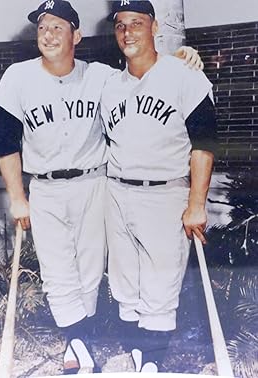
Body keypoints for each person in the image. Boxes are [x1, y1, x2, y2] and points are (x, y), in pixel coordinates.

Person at [0, 0, 204, 374]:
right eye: (42, 28)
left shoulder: (102, 76)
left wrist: (184, 55)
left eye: (58, 27)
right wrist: (17, 198)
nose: (48, 35)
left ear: (77, 35)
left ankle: (90, 341)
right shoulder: (17, 77)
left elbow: (146, 71)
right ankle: (77, 342)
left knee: (90, 272)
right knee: (58, 272)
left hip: (96, 182)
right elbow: (5, 144)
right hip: (46, 188)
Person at [101, 0, 217, 372]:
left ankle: (152, 363)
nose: (128, 32)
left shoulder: (184, 74)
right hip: (116, 192)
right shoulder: (109, 85)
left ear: (154, 27)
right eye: (120, 25)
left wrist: (197, 203)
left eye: (137, 23)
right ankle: (137, 358)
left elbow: (204, 143)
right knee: (124, 286)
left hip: (165, 192)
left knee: (159, 286)